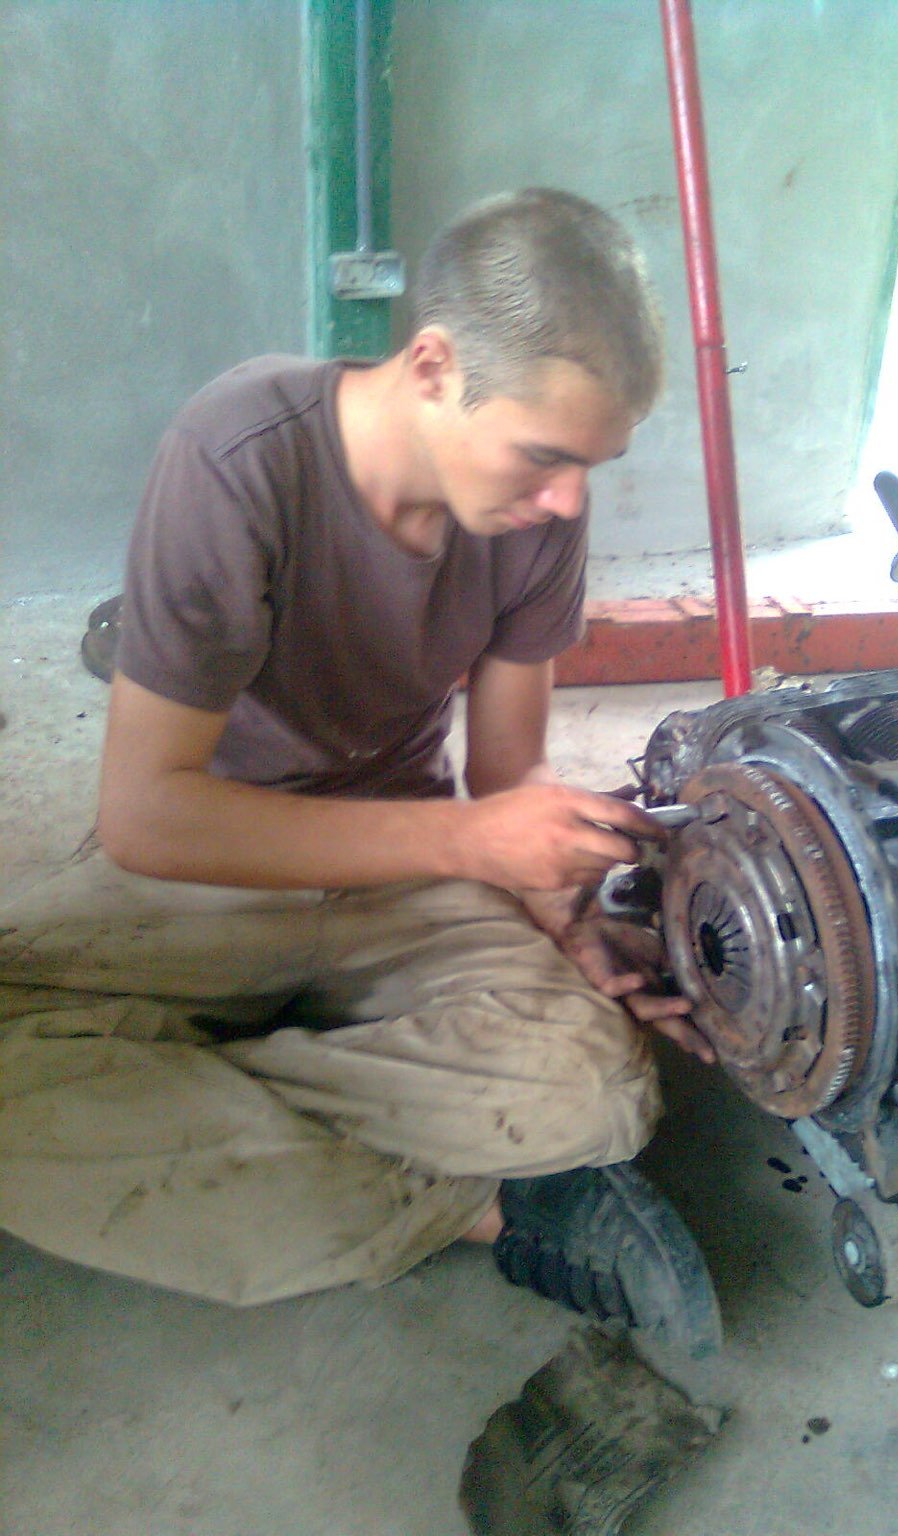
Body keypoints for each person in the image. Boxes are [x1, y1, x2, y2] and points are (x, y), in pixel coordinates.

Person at [0, 188, 721, 1357]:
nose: (568, 501)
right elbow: (146, 818)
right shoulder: (236, 454)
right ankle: (473, 1203)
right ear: (433, 366)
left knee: (604, 1089)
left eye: (592, 466)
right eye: (545, 458)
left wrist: (555, 896)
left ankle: (189, 1085)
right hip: (211, 870)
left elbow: (503, 771)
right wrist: (475, 846)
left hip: (401, 882)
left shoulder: (537, 514)